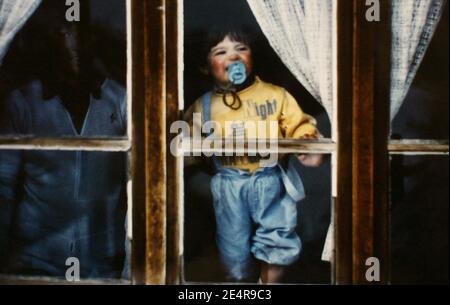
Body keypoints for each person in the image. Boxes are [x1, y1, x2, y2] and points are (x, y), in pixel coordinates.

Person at [184, 27, 323, 283]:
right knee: (233, 249)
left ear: (252, 58)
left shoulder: (275, 95)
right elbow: (185, 143)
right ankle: (241, 284)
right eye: (221, 52)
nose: (233, 57)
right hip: (228, 184)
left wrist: (307, 143)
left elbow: (299, 124)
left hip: (270, 179)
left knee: (278, 240)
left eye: (241, 49)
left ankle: (268, 285)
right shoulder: (203, 106)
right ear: (205, 67)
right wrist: (189, 167)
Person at [0, 1, 128, 279]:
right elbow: (4, 186)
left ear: (92, 38)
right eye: (62, 33)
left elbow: (144, 177)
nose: (73, 42)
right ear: (49, 42)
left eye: (80, 32)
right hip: (35, 255)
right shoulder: (24, 103)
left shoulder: (120, 99)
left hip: (105, 254)